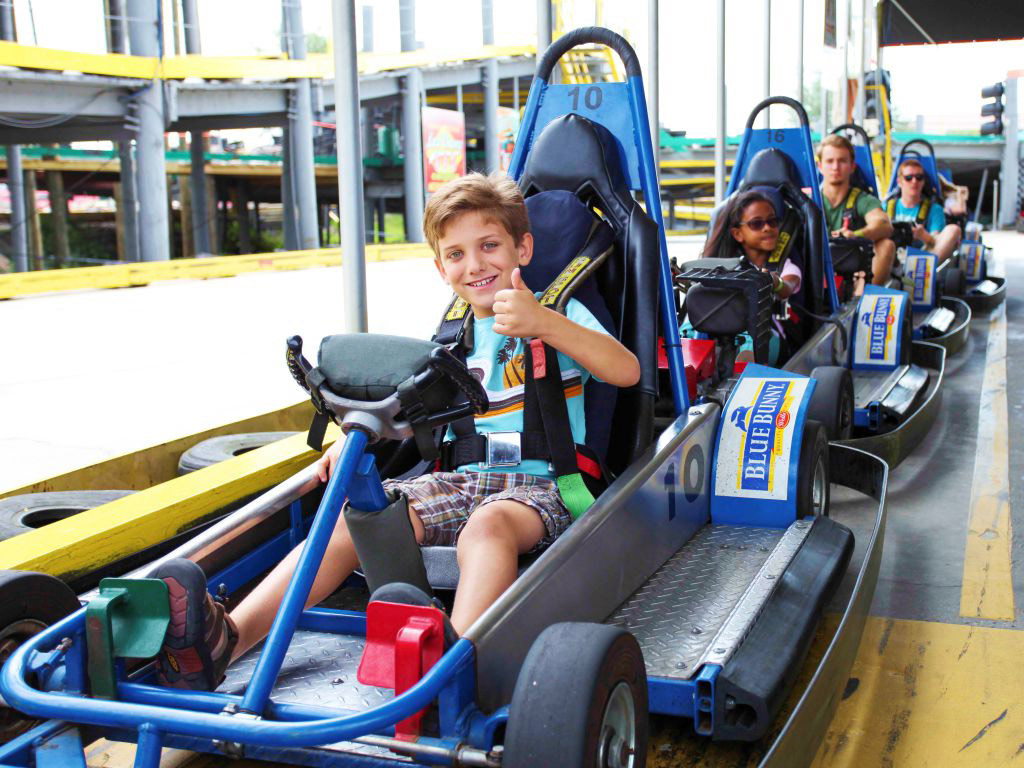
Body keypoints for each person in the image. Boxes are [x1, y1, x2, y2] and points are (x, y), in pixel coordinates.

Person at [151, 172, 641, 691]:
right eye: (456, 254)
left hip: (541, 486)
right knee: (357, 518)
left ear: (523, 248)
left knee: (488, 526)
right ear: (441, 269)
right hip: (458, 482)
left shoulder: (560, 312)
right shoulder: (449, 339)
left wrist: (545, 323)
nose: (475, 265)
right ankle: (225, 642)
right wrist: (353, 438)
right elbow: (407, 413)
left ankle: (454, 665)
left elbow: (626, 371)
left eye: (489, 246)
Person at [698, 189, 801, 364]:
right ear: (738, 234)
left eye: (772, 221)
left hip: (767, 335)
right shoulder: (724, 265)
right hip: (721, 332)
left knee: (750, 335)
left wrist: (774, 282)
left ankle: (745, 364)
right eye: (756, 224)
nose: (767, 228)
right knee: (694, 321)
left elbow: (788, 286)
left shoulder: (785, 265)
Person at [817, 134, 895, 288]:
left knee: (886, 245)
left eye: (842, 161)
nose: (835, 167)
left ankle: (861, 299)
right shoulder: (808, 199)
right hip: (813, 270)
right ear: (820, 166)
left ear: (852, 166)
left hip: (854, 274)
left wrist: (855, 235)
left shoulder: (863, 199)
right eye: (830, 161)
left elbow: (884, 225)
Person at [888, 157, 961, 262]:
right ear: (899, 182)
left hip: (922, 257)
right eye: (908, 178)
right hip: (890, 255)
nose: (914, 181)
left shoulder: (934, 209)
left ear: (923, 181)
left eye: (919, 177)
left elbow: (938, 242)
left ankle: (925, 268)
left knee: (953, 229)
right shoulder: (887, 206)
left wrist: (924, 236)